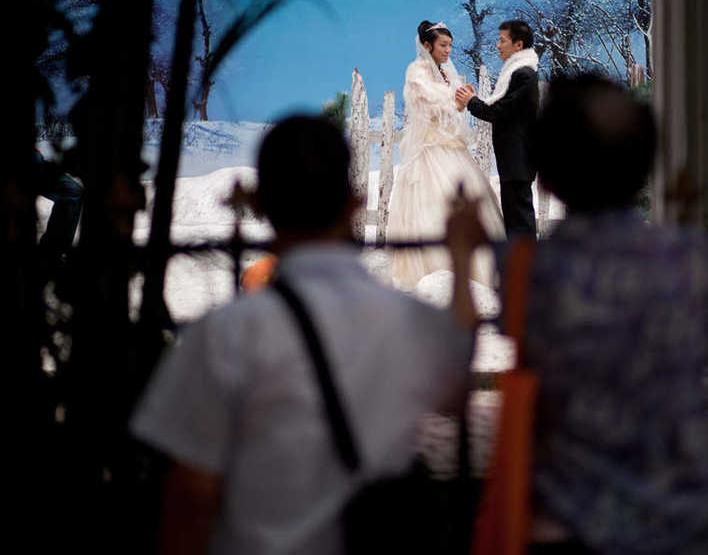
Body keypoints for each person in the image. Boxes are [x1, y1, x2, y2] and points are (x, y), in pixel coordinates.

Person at [131, 116, 486, 555]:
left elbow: (191, 498)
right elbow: (457, 391)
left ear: (260, 205)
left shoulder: (224, 335)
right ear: (354, 203)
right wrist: (463, 260)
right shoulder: (408, 322)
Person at [517, 74, 708, 554]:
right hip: (696, 531)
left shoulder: (530, 272)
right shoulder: (691, 258)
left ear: (544, 174)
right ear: (647, 162)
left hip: (577, 529)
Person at [386, 20, 504, 289]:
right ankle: (433, 271)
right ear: (427, 45)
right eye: (443, 45)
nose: (448, 50)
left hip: (451, 148)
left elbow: (453, 111)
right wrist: (456, 102)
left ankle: (471, 273)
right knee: (431, 207)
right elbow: (428, 108)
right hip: (430, 150)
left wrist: (463, 101)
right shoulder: (417, 73)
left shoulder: (447, 73)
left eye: (450, 45)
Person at [456, 19, 539, 239]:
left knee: (519, 220)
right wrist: (476, 100)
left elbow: (501, 111)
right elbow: (502, 106)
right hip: (514, 160)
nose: (498, 46)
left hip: (518, 159)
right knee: (515, 217)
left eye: (502, 40)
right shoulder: (517, 73)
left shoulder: (523, 75)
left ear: (518, 45)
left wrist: (472, 101)